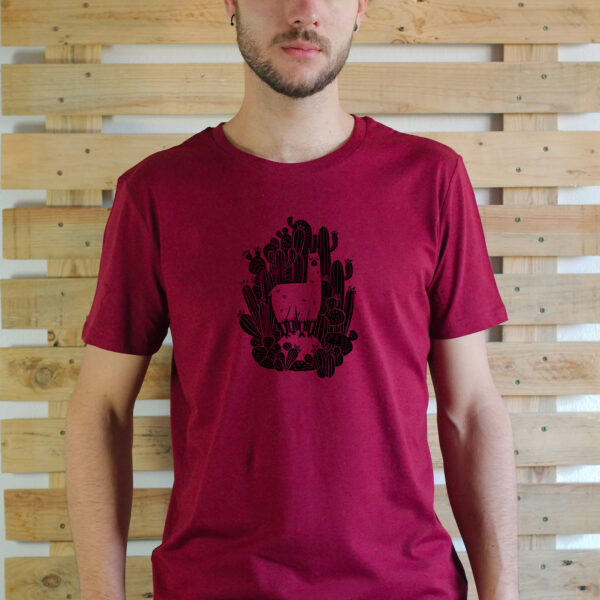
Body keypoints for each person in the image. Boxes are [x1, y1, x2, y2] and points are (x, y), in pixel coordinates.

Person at [65, 0, 520, 598]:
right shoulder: (157, 193)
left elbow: (472, 411)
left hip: (403, 585)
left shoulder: (431, 180)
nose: (304, 11)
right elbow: (100, 407)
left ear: (359, 9)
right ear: (231, 4)